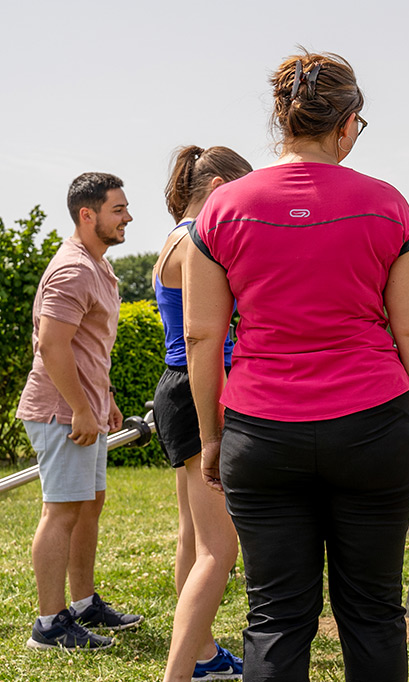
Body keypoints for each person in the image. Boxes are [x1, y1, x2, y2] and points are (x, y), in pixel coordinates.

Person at [183, 52, 409, 682]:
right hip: (375, 427)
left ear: (283, 119)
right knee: (374, 612)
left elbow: (200, 335)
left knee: (275, 617)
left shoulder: (221, 211)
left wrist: (213, 437)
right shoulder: (389, 207)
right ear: (348, 122)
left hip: (261, 431)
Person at [16, 172, 143, 650]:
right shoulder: (73, 269)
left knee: (88, 507)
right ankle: (49, 625)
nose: (128, 216)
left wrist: (102, 398)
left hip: (83, 409)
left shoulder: (99, 265)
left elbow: (90, 346)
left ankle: (84, 603)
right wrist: (78, 408)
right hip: (59, 413)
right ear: (87, 215)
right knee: (61, 512)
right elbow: (52, 344)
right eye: (118, 209)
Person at [153, 145, 252, 681]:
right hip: (200, 392)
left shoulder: (174, 238)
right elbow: (200, 336)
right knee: (220, 549)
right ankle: (179, 672)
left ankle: (204, 655)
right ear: (217, 188)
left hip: (177, 390)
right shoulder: (196, 241)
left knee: (194, 538)